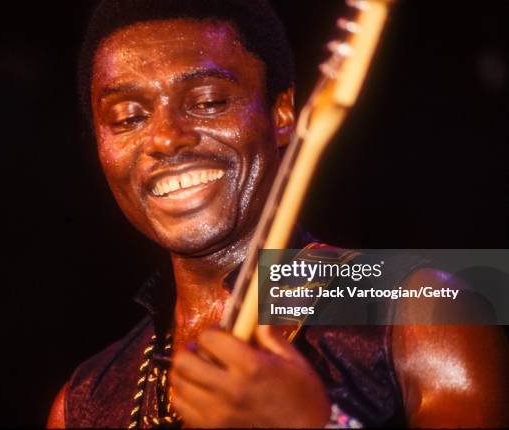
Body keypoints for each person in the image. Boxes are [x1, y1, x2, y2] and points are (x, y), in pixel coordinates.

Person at [47, 0, 508, 427]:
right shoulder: (84, 399)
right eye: (128, 117)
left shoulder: (423, 306)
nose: (166, 138)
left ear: (282, 112)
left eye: (207, 102)